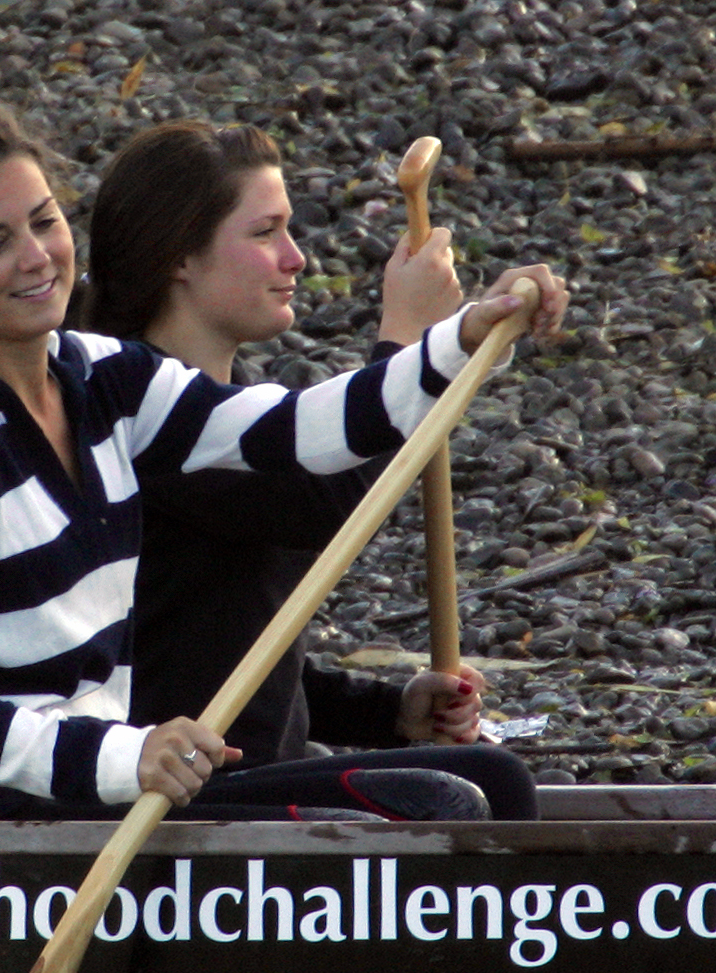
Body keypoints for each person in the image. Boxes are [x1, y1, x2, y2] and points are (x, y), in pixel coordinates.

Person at [0, 98, 555, 824]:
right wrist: (123, 756)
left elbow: (298, 431)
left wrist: (463, 337)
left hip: (92, 787)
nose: (35, 257)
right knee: (433, 803)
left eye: (45, 222)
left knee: (493, 784)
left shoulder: (103, 377)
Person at [87, 121, 566, 819]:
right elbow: (325, 505)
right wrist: (408, 342)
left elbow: (234, 652)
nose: (295, 257)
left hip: (250, 772)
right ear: (178, 258)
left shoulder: (237, 402)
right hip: (168, 798)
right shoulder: (148, 416)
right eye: (265, 233)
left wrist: (391, 712)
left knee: (490, 780)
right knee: (479, 788)